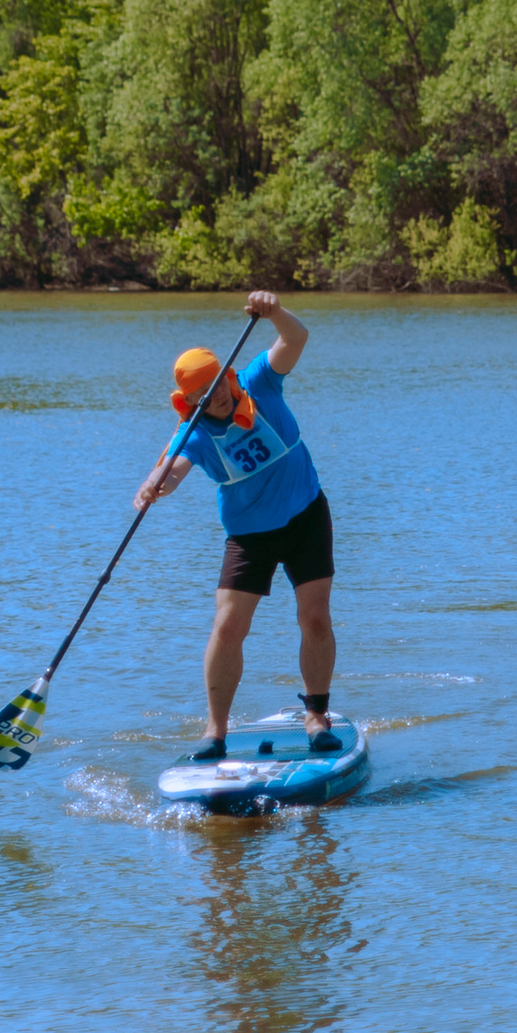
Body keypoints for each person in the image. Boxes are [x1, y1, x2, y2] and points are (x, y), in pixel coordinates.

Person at [135, 291, 343, 759]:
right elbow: (171, 469)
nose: (220, 397)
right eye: (204, 395)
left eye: (221, 385)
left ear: (229, 376)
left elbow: (296, 338)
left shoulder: (259, 383)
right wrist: (153, 485)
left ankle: (317, 716)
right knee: (228, 627)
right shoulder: (193, 433)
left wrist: (274, 312)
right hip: (249, 535)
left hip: (306, 514)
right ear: (188, 400)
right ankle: (215, 732)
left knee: (314, 617)